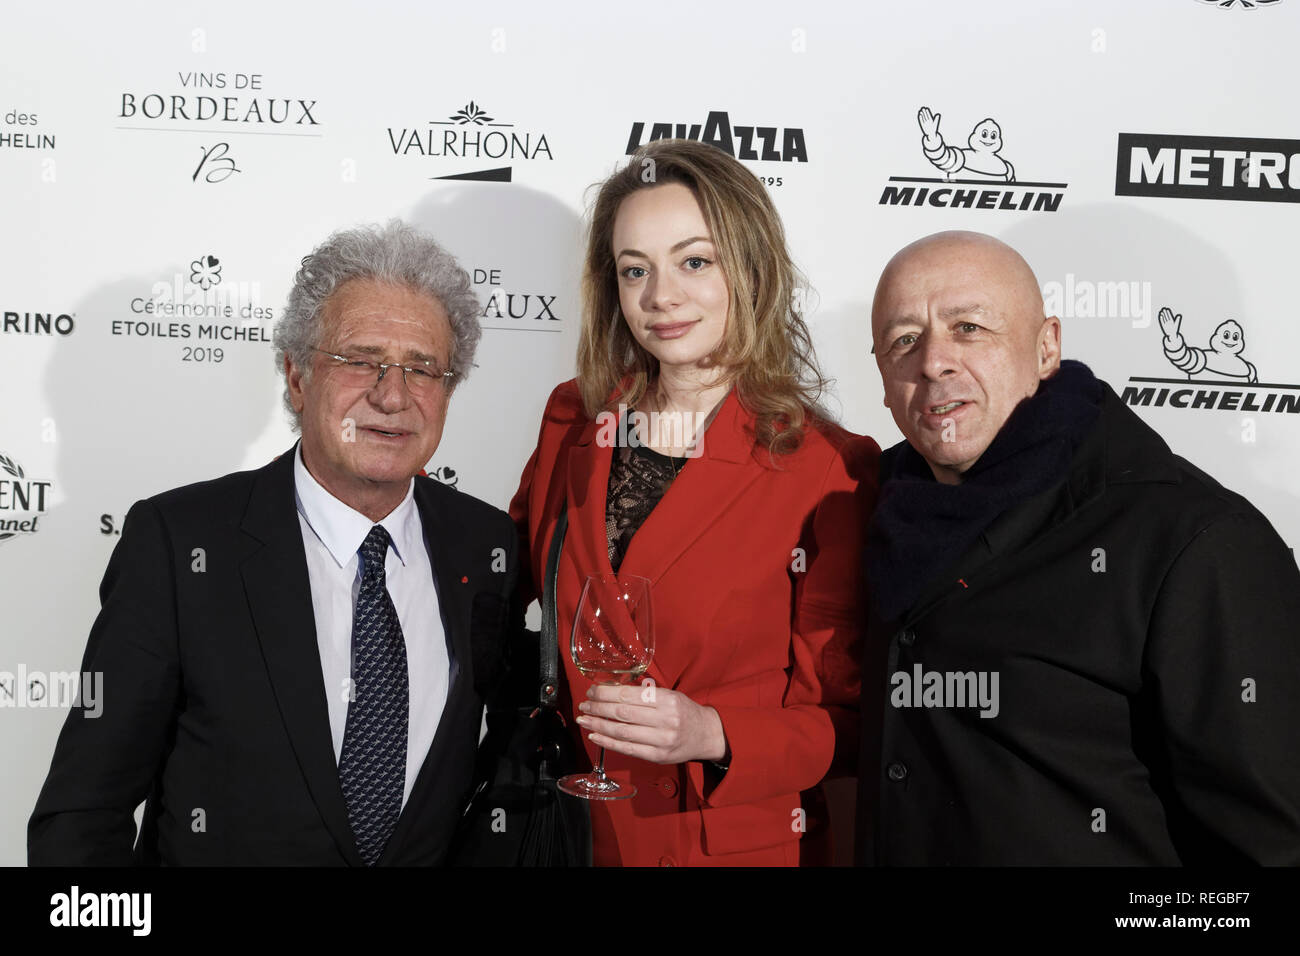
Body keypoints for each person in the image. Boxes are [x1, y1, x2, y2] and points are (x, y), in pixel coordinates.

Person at [29, 220, 518, 866]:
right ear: (296, 375)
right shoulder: (180, 547)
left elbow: (508, 771)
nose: (392, 394)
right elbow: (81, 821)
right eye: (361, 359)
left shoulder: (487, 547)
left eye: (422, 368)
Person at [859, 229, 1300, 865]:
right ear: (881, 377)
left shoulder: (1194, 540)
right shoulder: (868, 513)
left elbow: (1269, 848)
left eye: (970, 328)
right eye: (905, 340)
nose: (933, 361)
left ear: (1047, 349)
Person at [509, 139, 880, 867]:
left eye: (694, 261)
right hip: (570, 838)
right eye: (634, 270)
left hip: (727, 846)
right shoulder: (574, 420)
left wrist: (712, 733)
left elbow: (852, 721)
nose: (661, 297)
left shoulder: (828, 468)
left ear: (751, 268)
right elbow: (506, 594)